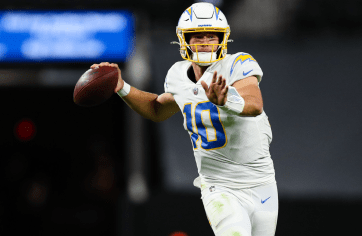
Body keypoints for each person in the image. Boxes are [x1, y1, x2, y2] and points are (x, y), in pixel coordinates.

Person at [91, 2, 278, 236]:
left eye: (212, 36)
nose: (205, 42)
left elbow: (254, 104)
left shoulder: (238, 63)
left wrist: (226, 100)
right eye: (197, 36)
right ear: (184, 40)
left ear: (223, 39)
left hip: (261, 182)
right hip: (218, 185)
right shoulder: (178, 75)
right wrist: (121, 87)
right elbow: (157, 109)